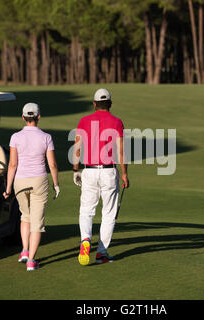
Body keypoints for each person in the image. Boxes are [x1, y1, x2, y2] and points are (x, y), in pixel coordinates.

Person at [72, 88, 129, 265]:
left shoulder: (84, 121)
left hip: (89, 171)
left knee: (86, 210)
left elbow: (77, 147)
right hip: (108, 171)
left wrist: (75, 169)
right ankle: (101, 253)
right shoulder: (117, 122)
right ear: (110, 104)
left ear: (94, 104)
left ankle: (86, 240)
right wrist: (125, 174)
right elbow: (121, 151)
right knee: (109, 214)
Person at [4, 102, 60, 271]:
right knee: (37, 223)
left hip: (20, 181)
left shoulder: (15, 137)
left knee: (25, 216)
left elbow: (12, 164)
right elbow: (53, 165)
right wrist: (56, 184)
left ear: (23, 117)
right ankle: (31, 261)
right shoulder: (46, 137)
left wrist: (7, 189)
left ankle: (25, 251)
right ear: (38, 117)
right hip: (39, 181)